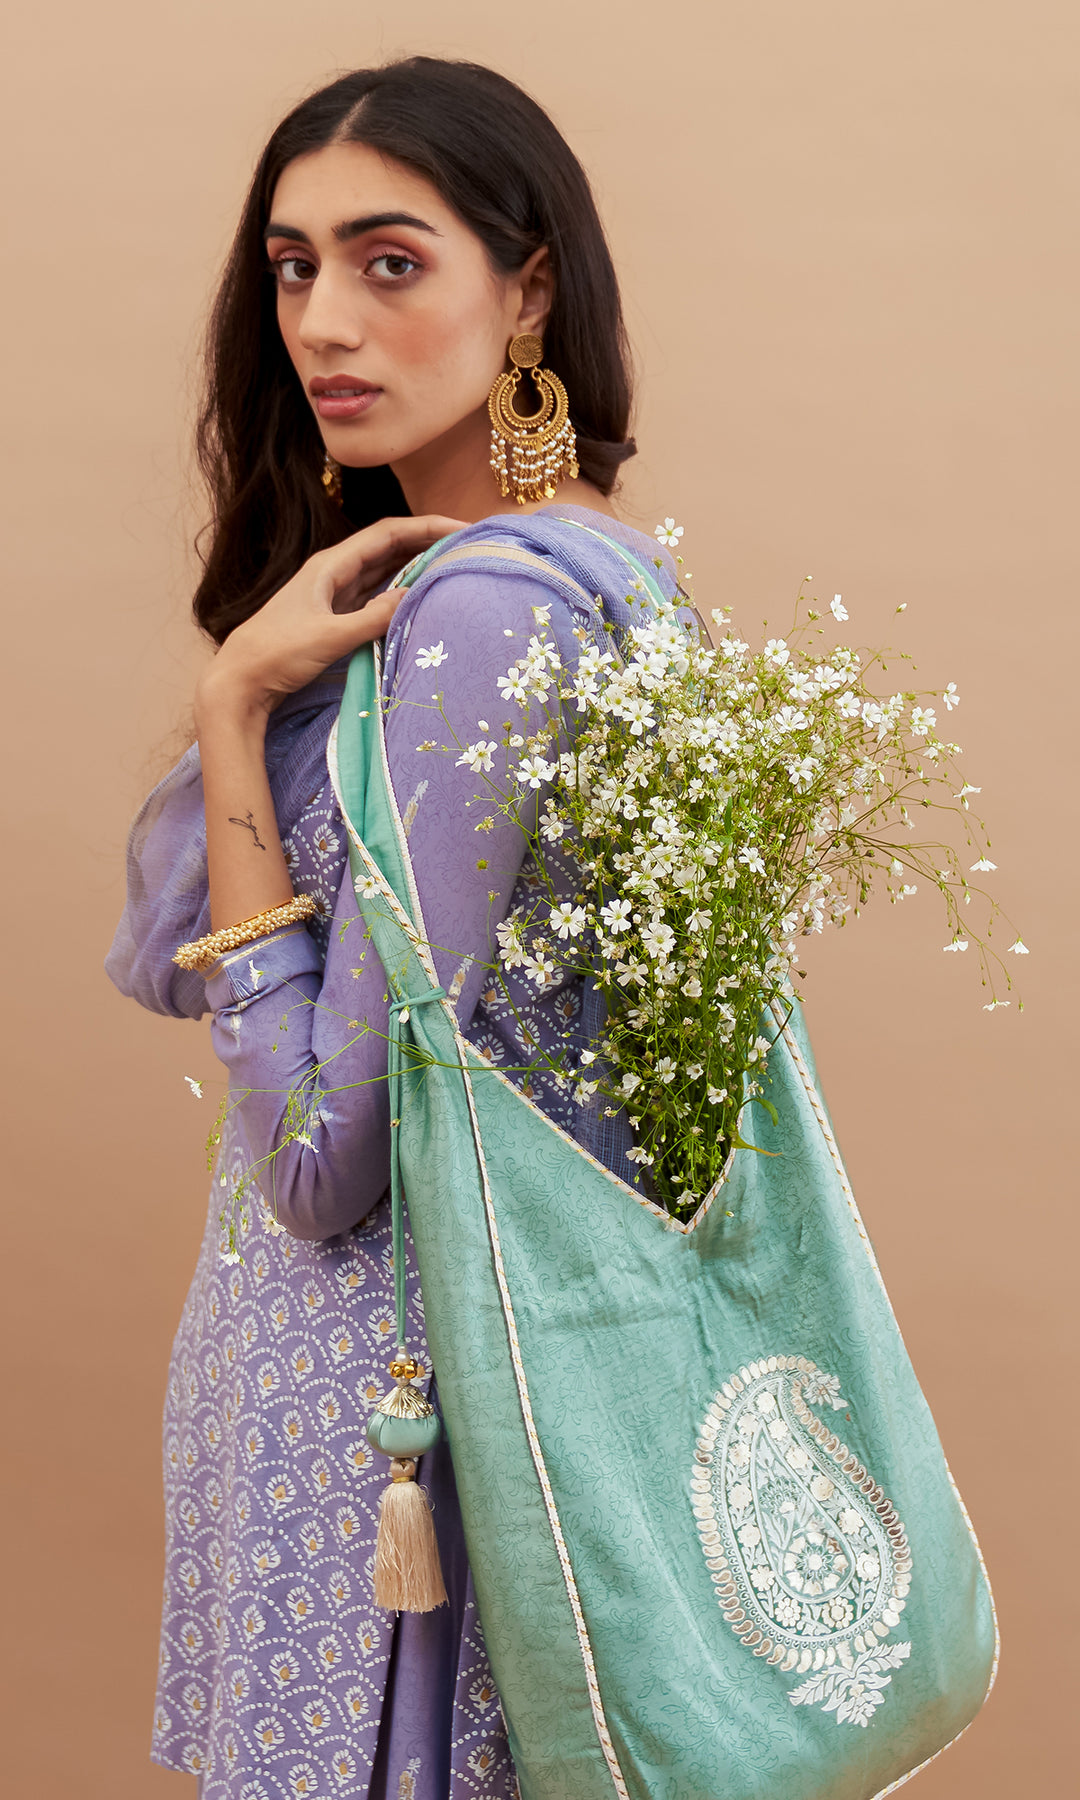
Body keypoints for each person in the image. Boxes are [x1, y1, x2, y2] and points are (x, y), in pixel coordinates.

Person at [107, 55, 676, 1800]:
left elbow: (318, 1163)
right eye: (294, 268)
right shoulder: (603, 566)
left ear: (530, 289)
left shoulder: (488, 615)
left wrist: (234, 711)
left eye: (391, 261)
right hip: (466, 1405)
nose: (324, 323)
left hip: (389, 1443)